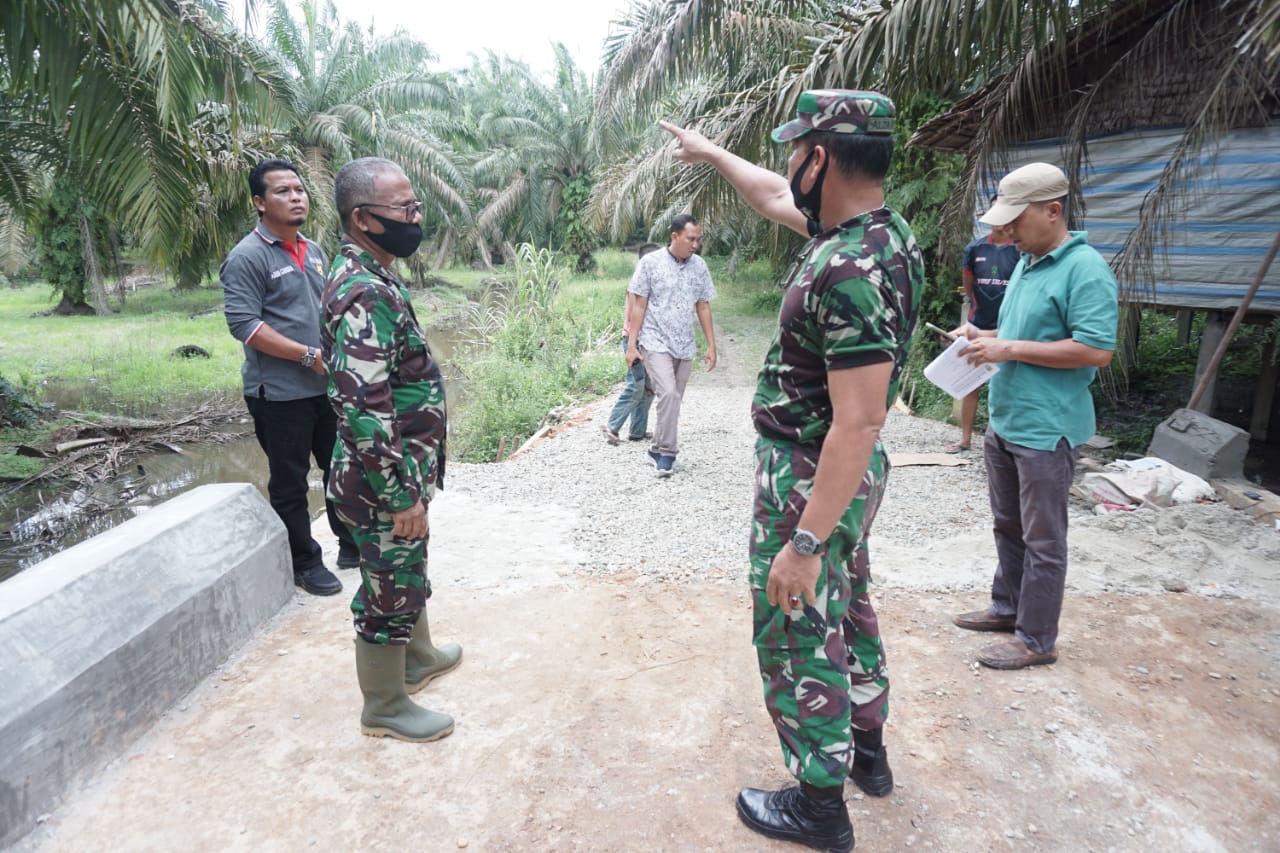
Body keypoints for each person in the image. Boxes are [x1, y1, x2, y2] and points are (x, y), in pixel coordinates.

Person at [661, 89, 924, 852]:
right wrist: (711, 153)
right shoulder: (883, 233)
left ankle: (818, 800)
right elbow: (772, 193)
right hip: (846, 471)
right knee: (850, 601)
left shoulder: (847, 266)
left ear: (821, 158)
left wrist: (803, 542)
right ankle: (866, 750)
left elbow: (860, 418)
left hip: (815, 469)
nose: (786, 168)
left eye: (795, 152)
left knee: (794, 616)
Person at [951, 162, 1118, 670]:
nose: (1005, 233)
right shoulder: (1027, 260)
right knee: (1008, 524)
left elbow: (1096, 350)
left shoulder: (1085, 268)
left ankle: (1037, 640)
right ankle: (1008, 609)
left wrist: (1011, 349)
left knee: (1044, 538)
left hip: (1048, 427)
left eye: (1014, 222)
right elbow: (1017, 331)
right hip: (1007, 418)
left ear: (1053, 211)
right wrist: (983, 339)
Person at [321, 157, 462, 743]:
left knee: (406, 565)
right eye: (403, 210)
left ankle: (418, 656)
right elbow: (363, 403)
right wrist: (401, 494)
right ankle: (383, 705)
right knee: (389, 584)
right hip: (380, 480)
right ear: (363, 220)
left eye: (416, 205)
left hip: (398, 469)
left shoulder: (374, 270)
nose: (416, 218)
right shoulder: (361, 290)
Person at [221, 158, 357, 597]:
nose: (296, 197)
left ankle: (351, 544)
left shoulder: (313, 250)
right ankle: (304, 561)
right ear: (259, 203)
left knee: (340, 467)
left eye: (299, 189)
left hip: (325, 386)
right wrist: (307, 357)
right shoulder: (247, 257)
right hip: (278, 395)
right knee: (290, 481)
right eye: (283, 191)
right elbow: (246, 325)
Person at [625, 214, 717, 478]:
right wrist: (632, 346)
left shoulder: (699, 266)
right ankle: (667, 453)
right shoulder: (650, 263)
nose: (695, 244)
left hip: (684, 344)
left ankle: (655, 448)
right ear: (674, 236)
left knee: (673, 401)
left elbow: (703, 305)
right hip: (654, 341)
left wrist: (712, 345)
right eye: (691, 238)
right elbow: (639, 305)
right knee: (668, 394)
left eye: (698, 239)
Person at [946, 209, 1020, 453]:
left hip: (1008, 327)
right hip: (978, 324)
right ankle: (965, 439)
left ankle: (1001, 442)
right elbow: (969, 288)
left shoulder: (1019, 250)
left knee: (1005, 384)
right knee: (970, 384)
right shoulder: (975, 249)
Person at [602, 242, 661, 445]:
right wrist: (632, 346)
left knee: (648, 387)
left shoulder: (655, 283)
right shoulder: (637, 285)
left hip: (649, 342)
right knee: (636, 385)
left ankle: (637, 430)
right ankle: (612, 426)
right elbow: (633, 318)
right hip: (633, 341)